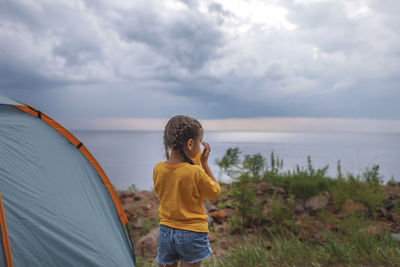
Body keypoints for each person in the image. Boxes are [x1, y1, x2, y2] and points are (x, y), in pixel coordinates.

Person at [153, 115, 221, 267]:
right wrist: (204, 163)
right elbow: (214, 192)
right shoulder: (195, 172)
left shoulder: (158, 169)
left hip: (166, 231)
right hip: (192, 232)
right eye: (199, 141)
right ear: (190, 144)